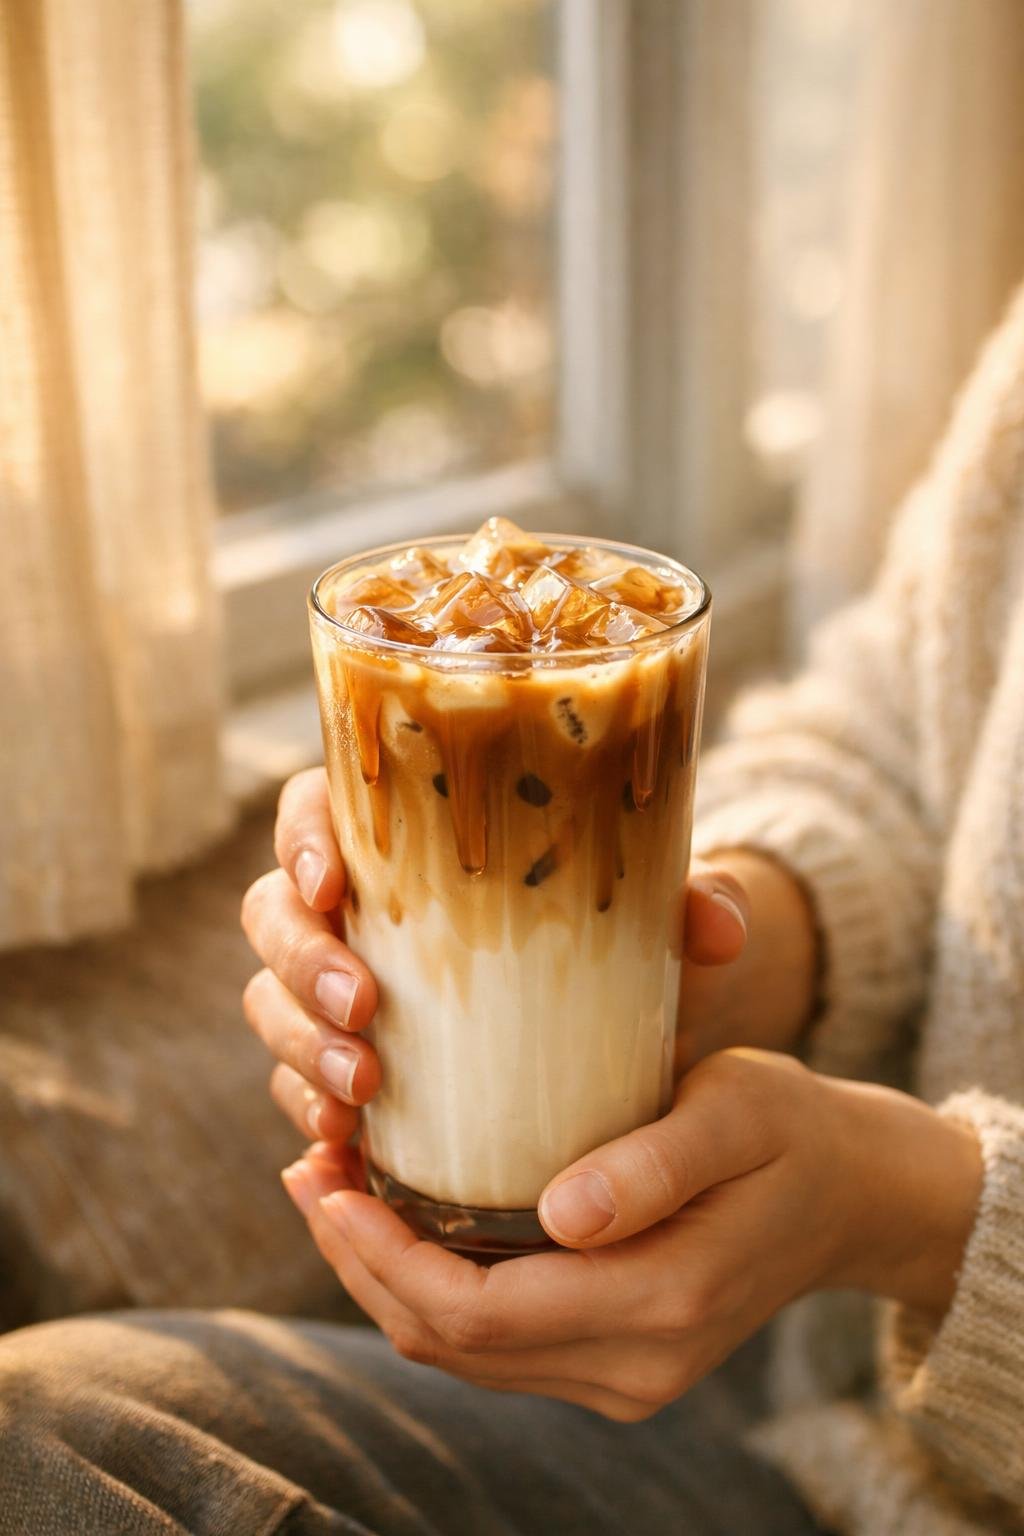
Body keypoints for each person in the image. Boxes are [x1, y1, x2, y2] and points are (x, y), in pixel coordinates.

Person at [4, 285, 1024, 1536]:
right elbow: (907, 729)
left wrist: (910, 1212)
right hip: (797, 1400)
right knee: (29, 1429)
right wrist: (738, 939)